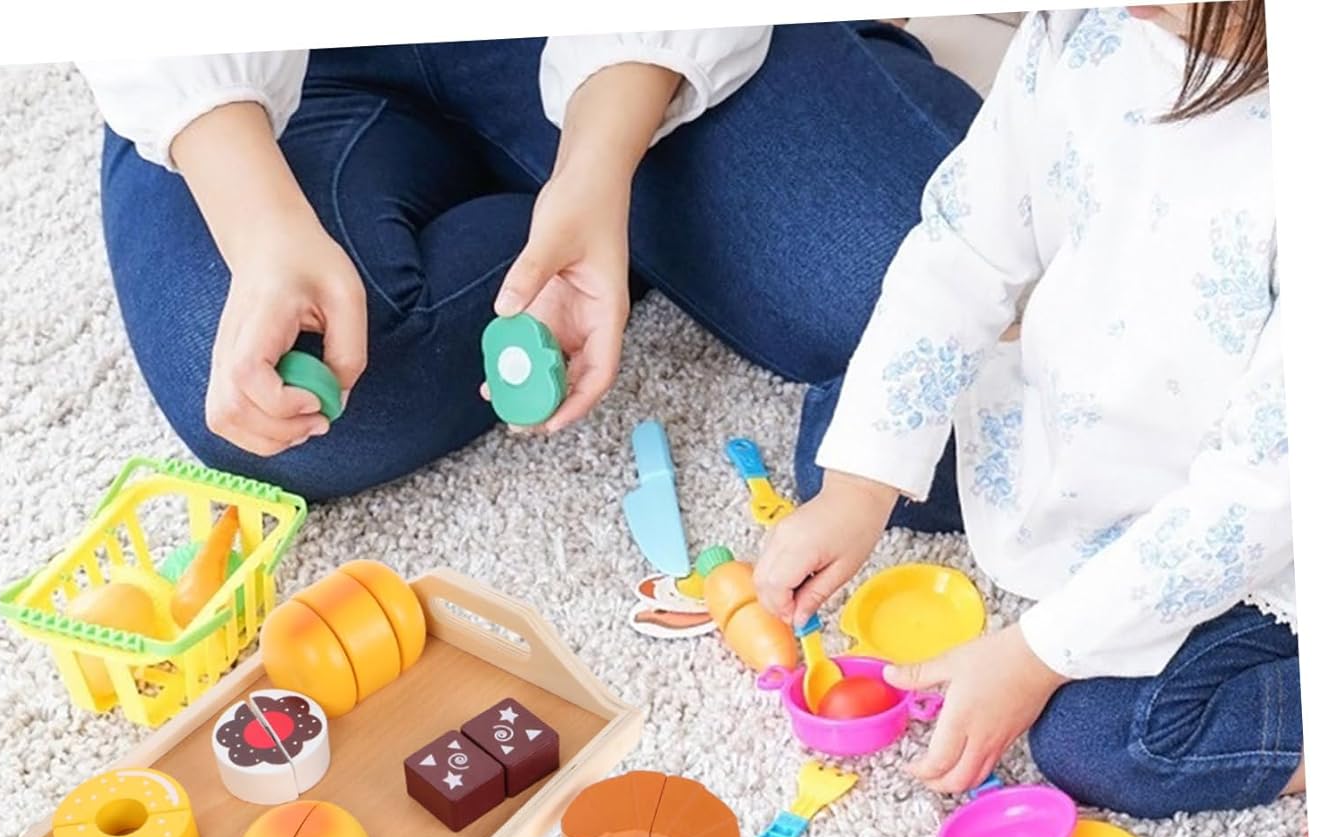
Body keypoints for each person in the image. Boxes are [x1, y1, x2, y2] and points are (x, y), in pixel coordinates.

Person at [754, 4, 1299, 820]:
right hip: (1082, 419)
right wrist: (859, 488)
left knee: (1104, 741)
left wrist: (1035, 654)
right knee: (841, 440)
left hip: (1270, 523)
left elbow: (1257, 499)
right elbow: (963, 251)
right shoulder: (1081, 26)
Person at [80, 25, 980, 498]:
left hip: (601, 31)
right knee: (289, 393)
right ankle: (635, 226)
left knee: (933, 313)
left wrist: (598, 164)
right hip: (287, 65)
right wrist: (263, 230)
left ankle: (608, 205)